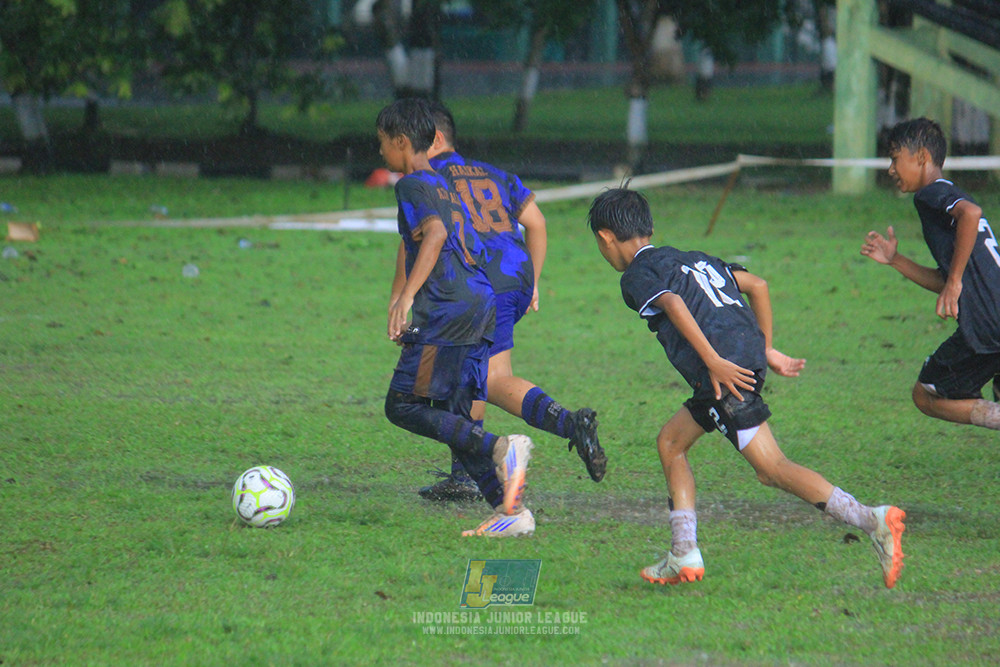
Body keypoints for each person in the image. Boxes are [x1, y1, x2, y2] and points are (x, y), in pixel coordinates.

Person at [587, 186, 906, 588]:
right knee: (671, 443)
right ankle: (683, 552)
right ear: (648, 227)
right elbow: (757, 285)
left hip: (721, 371)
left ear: (605, 237)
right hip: (735, 365)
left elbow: (672, 304)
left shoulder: (636, 274)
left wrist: (713, 360)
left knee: (772, 469)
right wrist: (765, 347)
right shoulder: (694, 258)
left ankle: (872, 520)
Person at [411, 101, 606, 502]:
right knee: (492, 378)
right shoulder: (493, 173)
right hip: (513, 277)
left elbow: (419, 241)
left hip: (475, 283)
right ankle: (572, 425)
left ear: (435, 139)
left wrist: (406, 297)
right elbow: (536, 221)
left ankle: (466, 477)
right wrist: (532, 279)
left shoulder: (427, 178)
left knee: (462, 376)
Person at [377, 97, 535, 537]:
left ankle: (503, 446)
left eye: (382, 144)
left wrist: (407, 296)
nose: (381, 154)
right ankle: (512, 512)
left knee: (402, 405)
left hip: (449, 309)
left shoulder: (410, 185)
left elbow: (436, 234)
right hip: (480, 302)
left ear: (402, 142)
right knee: (453, 415)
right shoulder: (441, 182)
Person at [861, 117, 1000, 430]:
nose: (890, 169)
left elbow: (971, 214)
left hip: (987, 324)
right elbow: (946, 276)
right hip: (995, 313)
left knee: (925, 395)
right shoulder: (949, 193)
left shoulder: (931, 194)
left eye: (895, 158)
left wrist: (954, 283)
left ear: (921, 157)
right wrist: (896, 260)